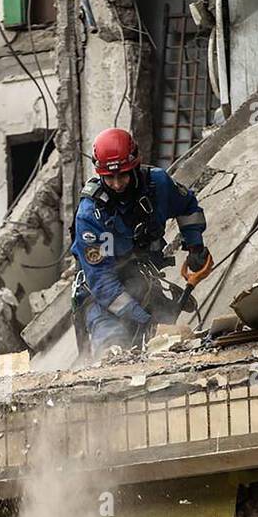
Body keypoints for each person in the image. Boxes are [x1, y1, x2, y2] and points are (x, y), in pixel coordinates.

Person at [70, 127, 214, 353]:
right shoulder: (91, 215)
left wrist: (195, 246)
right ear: (100, 174)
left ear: (135, 166)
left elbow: (188, 208)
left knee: (169, 349)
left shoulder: (158, 185)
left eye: (123, 175)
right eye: (109, 178)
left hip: (144, 283)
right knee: (113, 352)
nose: (117, 184)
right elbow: (102, 282)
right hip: (103, 300)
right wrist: (144, 319)